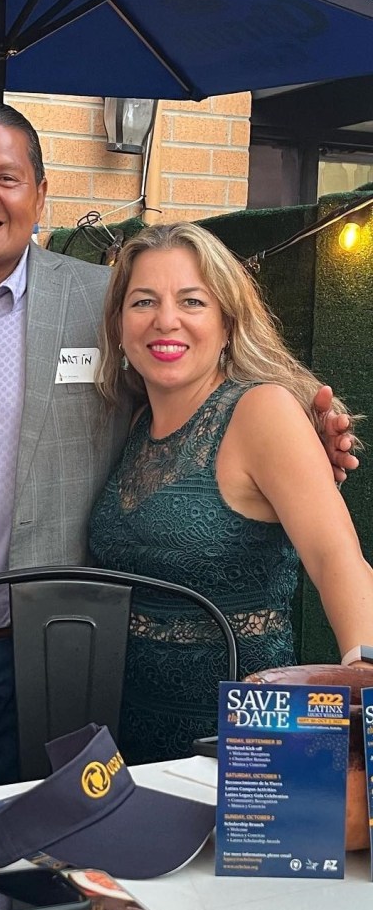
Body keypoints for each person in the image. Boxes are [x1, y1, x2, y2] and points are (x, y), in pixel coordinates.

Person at [0, 101, 359, 800]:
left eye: (7, 177)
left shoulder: (98, 298)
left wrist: (303, 421)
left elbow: (333, 553)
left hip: (66, 660)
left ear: (40, 194)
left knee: (60, 842)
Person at [89, 221, 373, 764]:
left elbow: (337, 558)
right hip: (132, 740)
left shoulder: (261, 411)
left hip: (243, 749)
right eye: (143, 301)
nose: (165, 319)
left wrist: (363, 682)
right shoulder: (136, 423)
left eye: (192, 301)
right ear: (120, 326)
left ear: (227, 323)